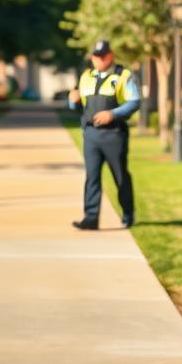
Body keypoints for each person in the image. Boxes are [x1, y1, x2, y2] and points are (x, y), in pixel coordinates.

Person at [69, 39, 141, 230]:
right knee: (92, 176)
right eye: (96, 56)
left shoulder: (123, 76)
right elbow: (79, 104)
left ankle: (127, 213)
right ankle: (90, 218)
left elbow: (134, 102)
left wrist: (113, 114)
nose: (99, 60)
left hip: (114, 134)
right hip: (91, 134)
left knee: (120, 176)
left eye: (102, 56)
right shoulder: (86, 76)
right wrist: (72, 101)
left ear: (111, 55)